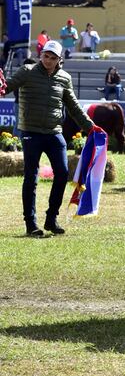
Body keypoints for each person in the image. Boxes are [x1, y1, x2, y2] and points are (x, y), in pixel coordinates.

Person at [0, 40, 95, 237]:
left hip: (54, 132)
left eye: (53, 58)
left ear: (59, 60)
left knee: (62, 173)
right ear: (40, 55)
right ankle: (31, 224)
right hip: (30, 132)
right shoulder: (26, 71)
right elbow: (6, 88)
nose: (48, 61)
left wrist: (91, 127)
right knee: (31, 177)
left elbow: (74, 107)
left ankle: (51, 219)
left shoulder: (64, 78)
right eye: (45, 56)